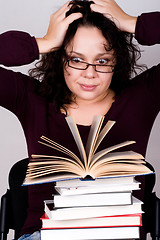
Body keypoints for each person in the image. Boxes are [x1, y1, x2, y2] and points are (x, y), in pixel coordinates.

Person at [0, 0, 160, 239]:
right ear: (59, 58)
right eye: (76, 59)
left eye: (103, 60)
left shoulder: (142, 97)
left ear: (118, 60)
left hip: (118, 234)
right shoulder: (31, 99)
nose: (89, 73)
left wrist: (133, 23)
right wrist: (42, 43)